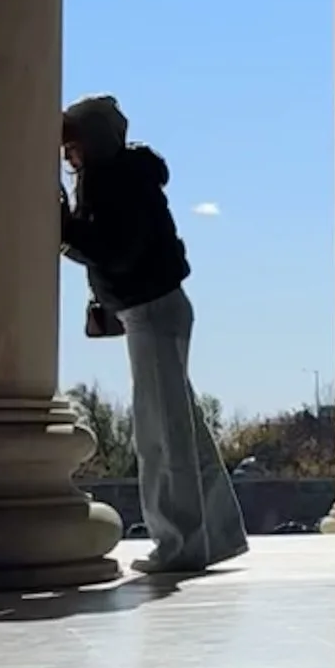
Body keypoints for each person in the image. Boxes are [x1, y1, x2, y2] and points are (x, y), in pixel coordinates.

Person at [58, 96, 248, 580]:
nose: (67, 158)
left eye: (72, 146)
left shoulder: (116, 182)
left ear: (91, 143)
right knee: (181, 429)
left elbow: (115, 253)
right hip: (157, 309)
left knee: (161, 434)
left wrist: (64, 232)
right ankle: (216, 535)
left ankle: (179, 544)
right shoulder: (127, 177)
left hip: (151, 312)